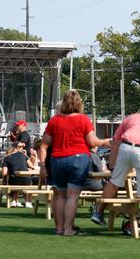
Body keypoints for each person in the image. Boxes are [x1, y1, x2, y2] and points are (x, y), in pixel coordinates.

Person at [38, 90, 110, 236]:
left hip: (57, 160)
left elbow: (43, 146)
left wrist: (42, 165)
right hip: (78, 159)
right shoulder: (83, 120)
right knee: (72, 196)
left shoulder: (54, 120)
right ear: (79, 103)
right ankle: (69, 229)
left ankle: (59, 228)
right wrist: (108, 142)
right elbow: (92, 142)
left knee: (60, 195)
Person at [91, 110, 140, 241]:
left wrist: (112, 164)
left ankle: (98, 212)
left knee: (114, 182)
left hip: (125, 147)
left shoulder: (131, 118)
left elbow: (116, 140)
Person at [3, 142, 35, 208]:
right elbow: (32, 166)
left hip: (15, 180)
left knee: (13, 178)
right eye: (20, 147)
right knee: (26, 180)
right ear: (14, 148)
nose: (22, 148)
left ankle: (14, 201)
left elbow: (4, 173)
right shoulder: (23, 155)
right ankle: (27, 202)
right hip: (26, 180)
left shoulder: (7, 158)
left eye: (22, 147)